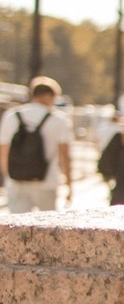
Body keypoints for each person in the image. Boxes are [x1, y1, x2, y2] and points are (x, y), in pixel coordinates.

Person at [0, 76, 72, 213]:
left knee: (17, 227)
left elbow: (3, 150)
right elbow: (65, 156)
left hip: (16, 181)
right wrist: (69, 185)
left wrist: (8, 176)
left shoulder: (11, 116)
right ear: (49, 96)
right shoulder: (59, 120)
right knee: (48, 227)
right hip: (47, 182)